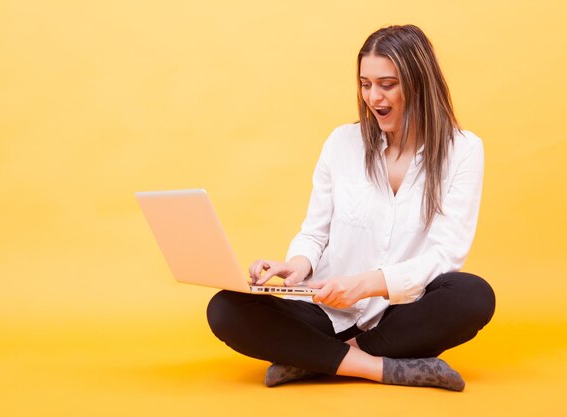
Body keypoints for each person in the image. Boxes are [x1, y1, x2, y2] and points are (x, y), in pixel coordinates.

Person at [206, 24, 495, 391]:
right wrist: (295, 266)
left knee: (473, 295)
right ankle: (378, 368)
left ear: (419, 82)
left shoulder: (463, 150)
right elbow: (315, 232)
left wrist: (365, 285)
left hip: (400, 318)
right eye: (365, 83)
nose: (374, 96)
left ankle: (316, 360)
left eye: (387, 84)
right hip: (328, 311)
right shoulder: (341, 143)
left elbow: (445, 255)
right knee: (224, 308)